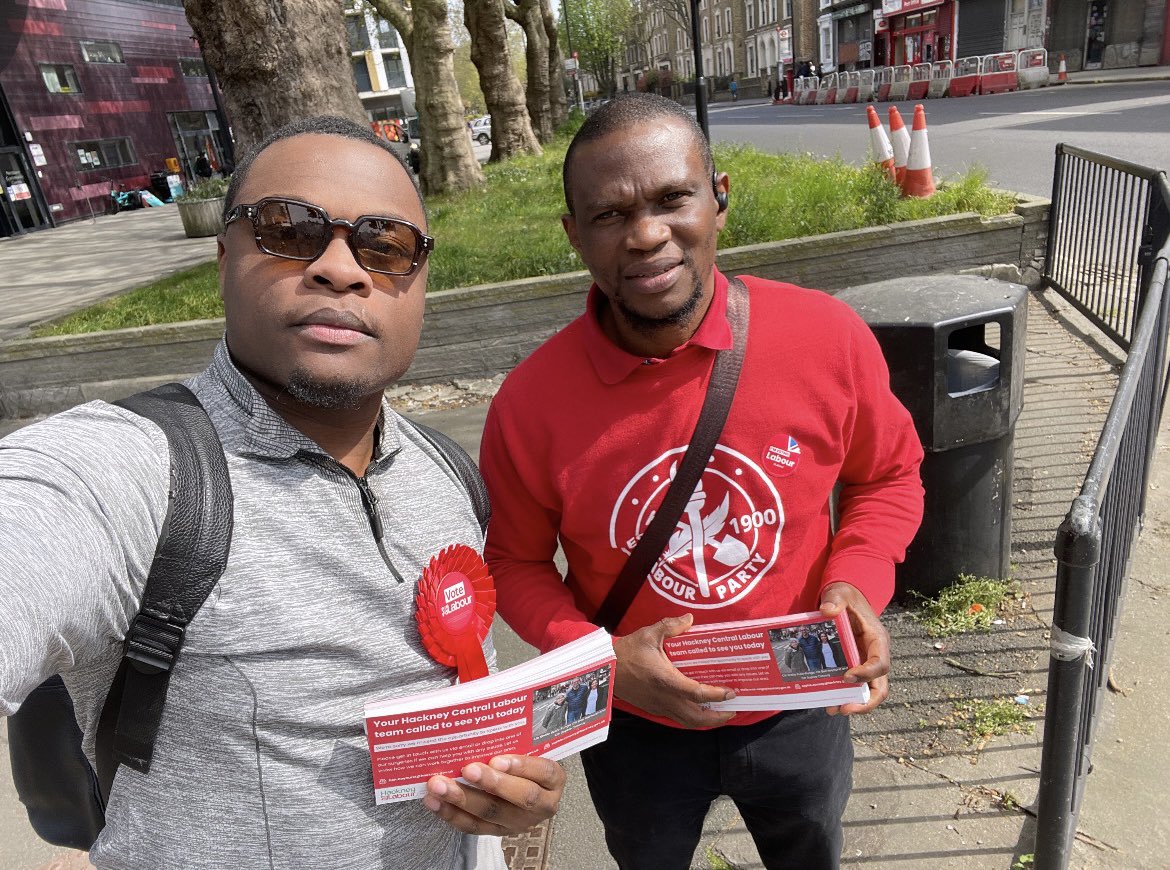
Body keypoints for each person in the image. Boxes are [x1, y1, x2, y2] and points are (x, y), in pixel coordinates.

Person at [0, 115, 565, 870]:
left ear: (419, 281)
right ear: (223, 254)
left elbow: (468, 692)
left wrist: (506, 786)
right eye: (288, 230)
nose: (341, 268)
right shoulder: (130, 471)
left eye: (384, 244)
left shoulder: (445, 470)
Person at [479, 93, 924, 869]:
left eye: (671, 198)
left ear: (718, 197)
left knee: (810, 851)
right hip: (634, 722)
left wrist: (857, 579)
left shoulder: (825, 338)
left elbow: (887, 476)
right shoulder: (529, 403)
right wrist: (600, 657)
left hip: (799, 695)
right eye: (611, 215)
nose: (648, 235)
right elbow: (513, 563)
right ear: (574, 235)